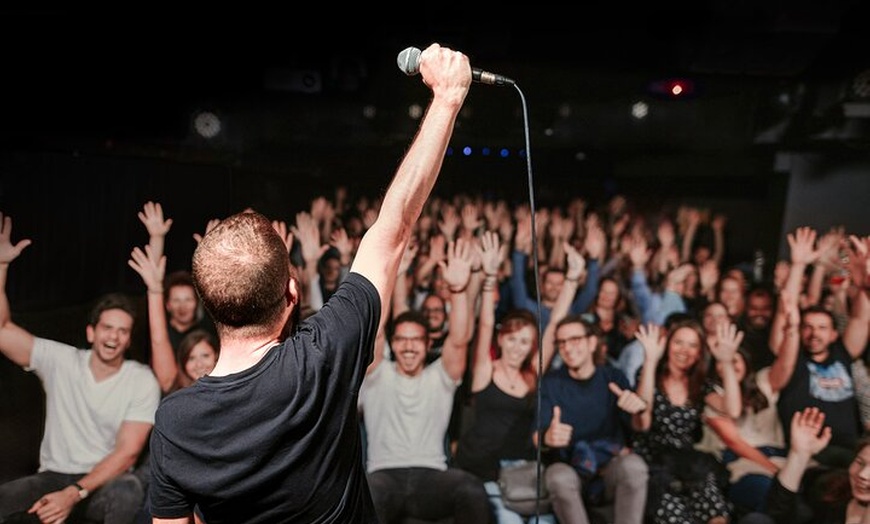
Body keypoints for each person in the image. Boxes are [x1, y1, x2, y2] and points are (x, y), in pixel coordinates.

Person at [146, 43, 473, 523]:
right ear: (292, 294)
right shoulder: (323, 355)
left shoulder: (174, 423)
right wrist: (447, 98)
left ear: (210, 302)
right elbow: (393, 230)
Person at [0, 213, 161, 524]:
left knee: (127, 491)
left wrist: (75, 492)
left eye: (123, 331)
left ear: (128, 340)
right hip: (54, 475)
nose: (113, 336)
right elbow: (3, 329)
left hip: (104, 480)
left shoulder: (140, 380)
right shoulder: (60, 361)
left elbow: (127, 453)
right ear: (91, 332)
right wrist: (2, 266)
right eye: (107, 328)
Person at [454, 232, 583, 523]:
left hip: (523, 472)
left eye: (524, 342)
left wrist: (572, 279)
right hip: (483, 471)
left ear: (531, 348)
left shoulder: (533, 373)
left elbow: (552, 330)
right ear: (501, 340)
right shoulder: (486, 370)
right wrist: (490, 275)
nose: (516, 347)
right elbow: (485, 322)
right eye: (511, 339)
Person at [360, 238, 491, 524]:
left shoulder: (440, 378)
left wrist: (458, 290)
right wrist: (395, 272)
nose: (408, 347)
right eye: (402, 340)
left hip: (431, 477)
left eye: (416, 340)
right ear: (392, 344)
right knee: (367, 497)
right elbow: (377, 327)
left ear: (427, 342)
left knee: (471, 490)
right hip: (384, 476)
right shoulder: (376, 374)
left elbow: (458, 341)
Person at [537, 314, 649, 524]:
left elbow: (639, 426)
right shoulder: (551, 383)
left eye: (575, 340)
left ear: (592, 342)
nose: (568, 349)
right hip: (571, 469)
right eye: (562, 343)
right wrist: (547, 437)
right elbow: (536, 435)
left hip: (608, 470)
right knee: (558, 476)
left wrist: (637, 411)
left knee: (634, 466)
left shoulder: (613, 378)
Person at [631, 318, 740, 524]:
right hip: (654, 463)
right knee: (675, 515)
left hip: (689, 463)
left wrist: (726, 363)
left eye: (693, 345)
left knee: (717, 514)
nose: (685, 350)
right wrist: (650, 361)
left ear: (699, 353)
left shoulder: (700, 385)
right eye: (679, 342)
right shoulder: (648, 375)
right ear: (668, 345)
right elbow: (642, 422)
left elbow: (733, 409)